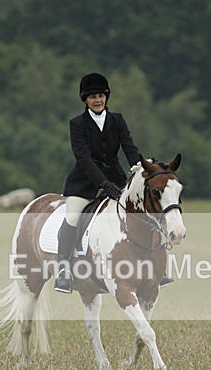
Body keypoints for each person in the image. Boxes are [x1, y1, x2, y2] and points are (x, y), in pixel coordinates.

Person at [54, 72, 140, 293]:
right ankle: (63, 269)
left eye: (101, 95)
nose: (98, 100)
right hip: (83, 182)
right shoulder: (77, 124)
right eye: (92, 96)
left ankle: (152, 265)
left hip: (116, 178)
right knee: (73, 218)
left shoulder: (117, 120)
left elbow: (129, 148)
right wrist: (104, 184)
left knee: (141, 212)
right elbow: (83, 158)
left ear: (106, 97)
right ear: (85, 100)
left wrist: (140, 169)